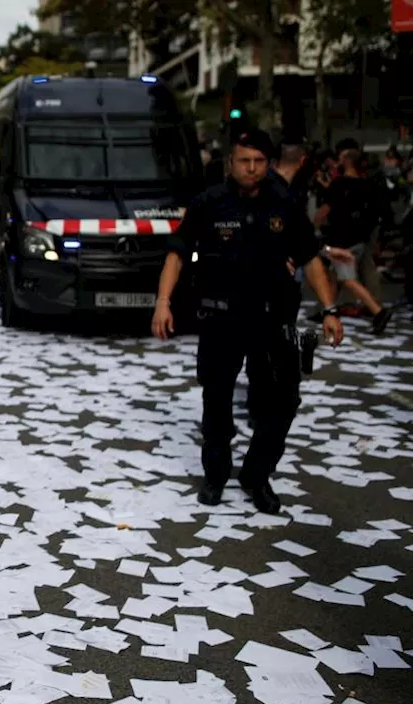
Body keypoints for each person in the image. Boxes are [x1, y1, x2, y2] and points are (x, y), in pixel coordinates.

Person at [151, 129, 344, 515]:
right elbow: (176, 253)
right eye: (244, 161)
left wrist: (330, 309)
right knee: (217, 400)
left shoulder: (285, 204)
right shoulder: (209, 203)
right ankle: (216, 475)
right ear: (231, 163)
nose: (251, 168)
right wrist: (163, 302)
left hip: (273, 319)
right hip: (222, 317)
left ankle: (256, 476)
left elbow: (310, 258)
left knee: (281, 404)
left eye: (259, 162)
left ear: (268, 164)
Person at [314, 148, 393, 334]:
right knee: (335, 278)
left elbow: (325, 210)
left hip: (342, 241)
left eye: (341, 158)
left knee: (347, 279)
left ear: (347, 161)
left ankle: (378, 311)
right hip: (359, 239)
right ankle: (328, 310)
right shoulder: (366, 185)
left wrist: (312, 227)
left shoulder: (339, 185)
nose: (338, 161)